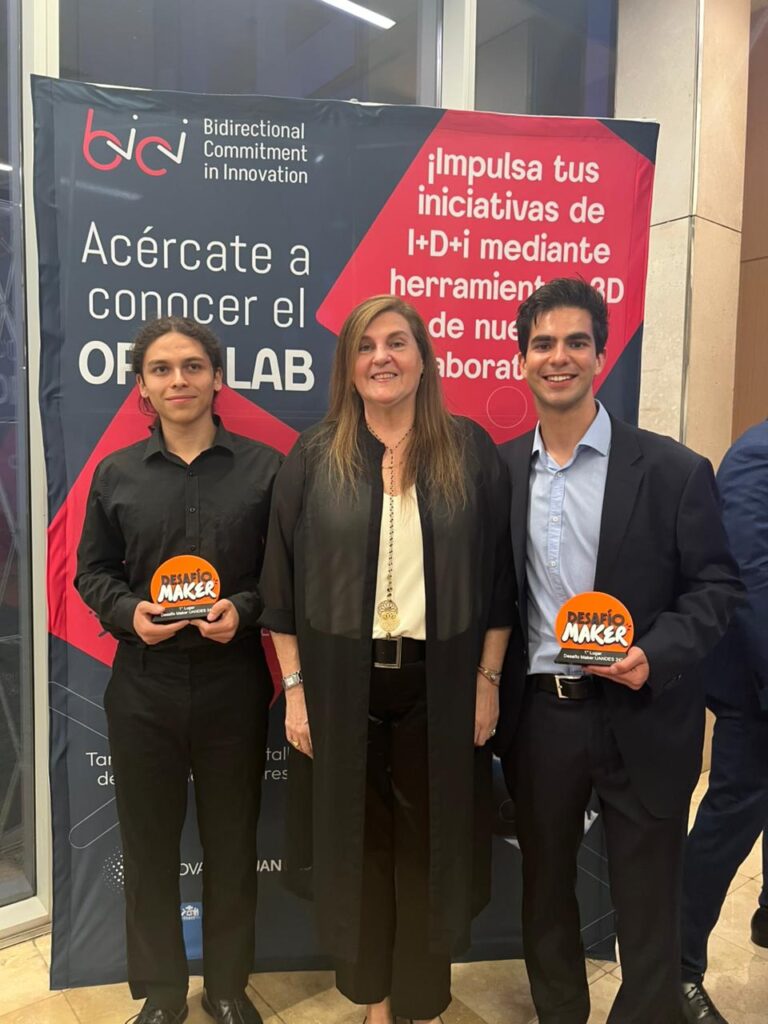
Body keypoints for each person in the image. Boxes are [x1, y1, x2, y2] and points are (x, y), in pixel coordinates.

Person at [259, 295, 513, 1024]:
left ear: (423, 359)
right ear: (348, 366)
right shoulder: (315, 455)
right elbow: (280, 589)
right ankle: (375, 1002)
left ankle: (422, 1002)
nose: (382, 358)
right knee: (358, 851)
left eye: (397, 343)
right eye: (365, 346)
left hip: (442, 682)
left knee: (431, 852)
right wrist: (297, 692)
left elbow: (499, 582)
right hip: (341, 686)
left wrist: (487, 680)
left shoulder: (468, 451)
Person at [495, 278, 742, 1024]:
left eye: (576, 342)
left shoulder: (672, 471)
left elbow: (716, 588)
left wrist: (653, 654)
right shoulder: (500, 472)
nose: (559, 357)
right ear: (521, 360)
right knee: (544, 891)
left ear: (601, 356)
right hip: (543, 716)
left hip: (644, 710)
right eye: (543, 344)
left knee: (648, 901)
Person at [75, 317, 282, 1024]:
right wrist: (127, 612)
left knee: (233, 843)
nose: (178, 380)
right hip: (143, 684)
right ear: (142, 388)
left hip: (233, 680)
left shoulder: (267, 469)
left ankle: (226, 987)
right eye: (161, 369)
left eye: (192, 366)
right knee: (148, 847)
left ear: (218, 378)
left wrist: (244, 609)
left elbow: (285, 574)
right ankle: (162, 993)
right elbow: (92, 572)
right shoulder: (115, 474)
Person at [679, 419, 768, 1024]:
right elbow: (749, 576)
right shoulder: (759, 454)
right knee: (729, 821)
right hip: (757, 686)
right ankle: (676, 969)